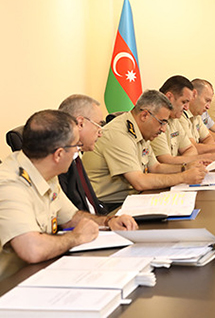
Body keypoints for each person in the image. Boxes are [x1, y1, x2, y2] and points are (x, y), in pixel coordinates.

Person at [0, 110, 137, 280]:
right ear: (58, 154)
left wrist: (108, 222)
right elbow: (32, 249)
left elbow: (71, 217)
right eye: (76, 146)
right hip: (11, 283)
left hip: (43, 271)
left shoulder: (45, 171)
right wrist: (77, 237)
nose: (78, 152)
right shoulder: (10, 184)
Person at [83, 90, 207, 211]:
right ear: (144, 115)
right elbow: (139, 182)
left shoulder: (141, 131)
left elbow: (156, 167)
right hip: (109, 207)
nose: (163, 129)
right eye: (162, 123)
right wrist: (183, 177)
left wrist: (185, 168)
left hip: (132, 199)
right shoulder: (118, 134)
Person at [151, 75, 215, 165]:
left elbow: (191, 149)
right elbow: (165, 161)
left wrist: (187, 162)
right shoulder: (155, 120)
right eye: (183, 102)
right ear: (169, 97)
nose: (186, 108)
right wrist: (206, 157)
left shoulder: (174, 119)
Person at [57, 95, 109, 214]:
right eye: (98, 125)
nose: (100, 133)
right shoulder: (60, 161)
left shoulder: (76, 156)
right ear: (80, 124)